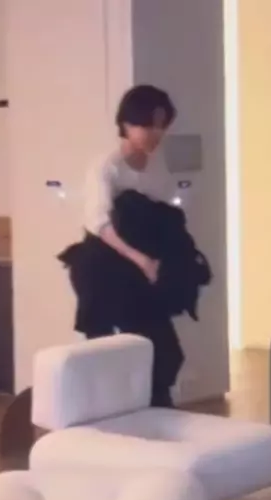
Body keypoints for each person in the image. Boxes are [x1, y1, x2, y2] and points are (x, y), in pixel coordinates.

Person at [80, 84, 183, 407]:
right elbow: (100, 225)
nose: (156, 133)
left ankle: (157, 411)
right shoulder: (106, 166)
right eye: (148, 124)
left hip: (143, 266)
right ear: (126, 123)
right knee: (116, 351)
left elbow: (163, 211)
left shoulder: (156, 165)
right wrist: (141, 260)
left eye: (162, 125)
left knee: (164, 351)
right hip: (106, 266)